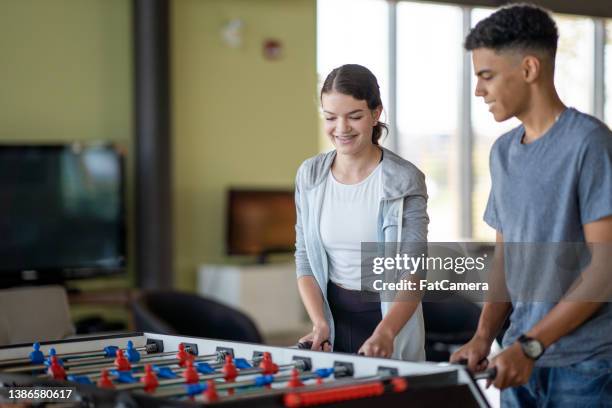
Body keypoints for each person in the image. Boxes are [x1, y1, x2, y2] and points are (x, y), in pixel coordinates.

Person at [450, 4, 612, 406]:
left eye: (486, 76)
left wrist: (531, 346)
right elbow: (506, 257)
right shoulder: (502, 153)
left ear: (528, 69)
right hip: (518, 360)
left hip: (585, 367)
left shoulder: (590, 144)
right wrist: (484, 337)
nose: (478, 91)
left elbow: (605, 269)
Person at [294, 64, 428, 360]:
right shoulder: (310, 175)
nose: (341, 129)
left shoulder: (404, 179)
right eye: (330, 118)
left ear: (376, 113)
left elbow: (413, 270)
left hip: (389, 321)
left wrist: (386, 333)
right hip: (333, 318)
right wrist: (319, 323)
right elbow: (305, 257)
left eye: (354, 116)